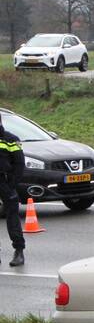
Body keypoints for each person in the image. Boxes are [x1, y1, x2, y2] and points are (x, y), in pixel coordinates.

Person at [0, 113, 26, 267]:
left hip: (5, 182)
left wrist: (11, 184)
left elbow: (19, 164)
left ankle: (19, 251)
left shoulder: (10, 139)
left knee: (12, 218)